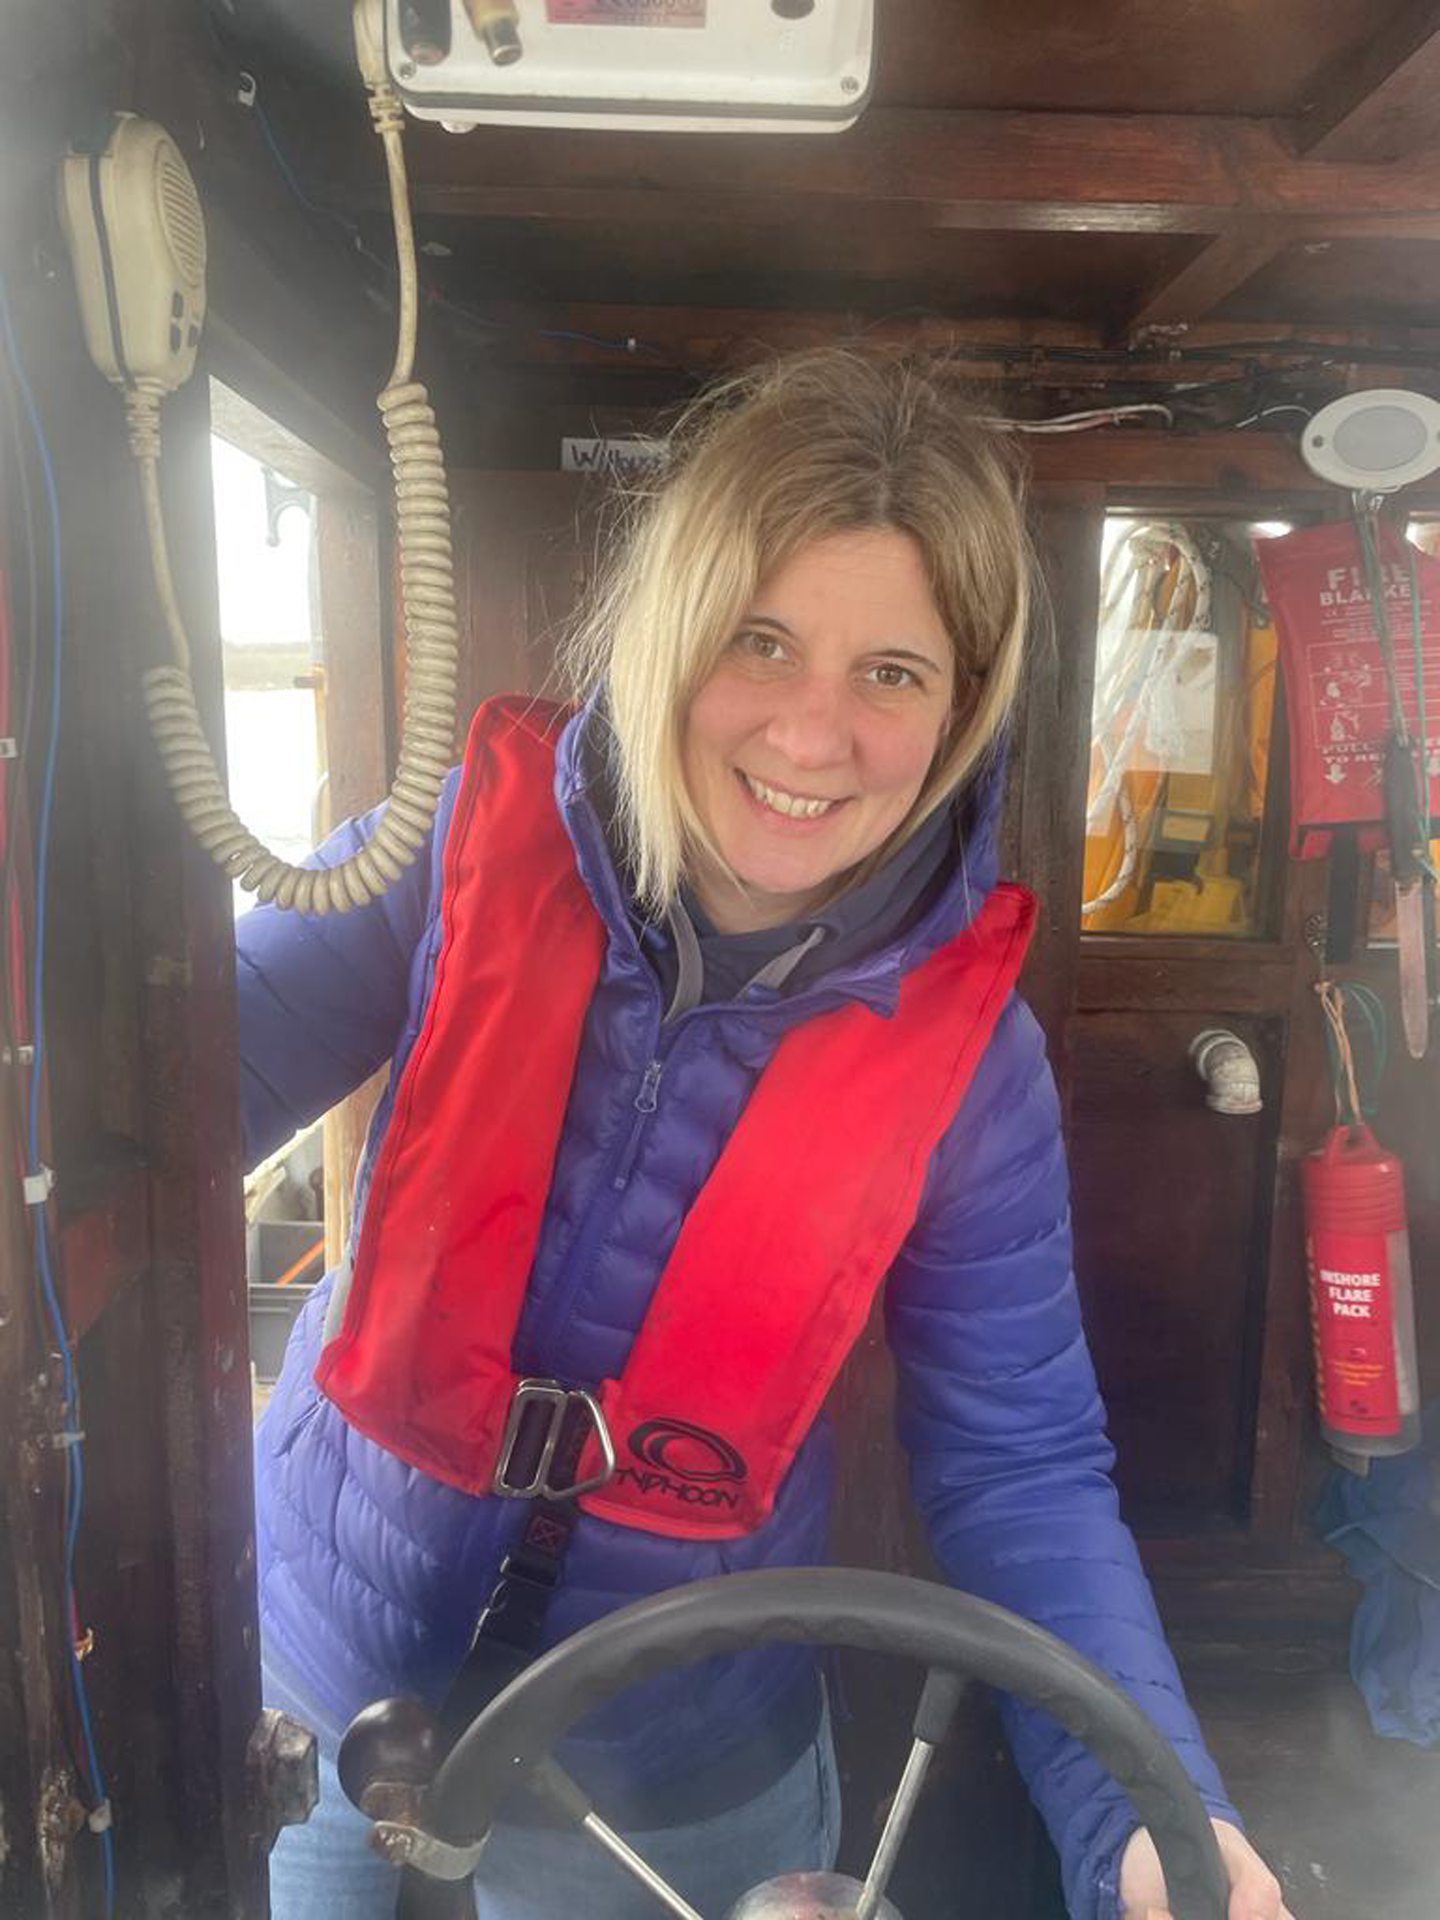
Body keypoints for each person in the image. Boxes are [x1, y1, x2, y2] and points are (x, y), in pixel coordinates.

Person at [243, 346, 1292, 1920]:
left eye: (892, 672)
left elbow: (1023, 1471)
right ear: (673, 636)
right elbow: (176, 1078)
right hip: (321, 1696)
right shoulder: (463, 842)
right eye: (763, 640)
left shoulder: (974, 1071)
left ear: (961, 712)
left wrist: (1157, 1819)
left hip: (675, 1786)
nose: (814, 737)